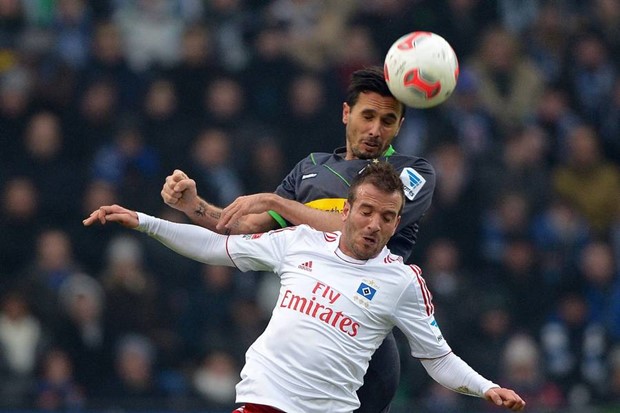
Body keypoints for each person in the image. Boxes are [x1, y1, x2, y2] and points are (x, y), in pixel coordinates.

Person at [84, 162, 525, 413]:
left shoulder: (402, 281)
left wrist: (487, 387)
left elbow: (438, 357)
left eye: (387, 217)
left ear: (397, 223)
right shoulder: (301, 241)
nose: (374, 224)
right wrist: (145, 222)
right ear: (347, 208)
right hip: (264, 402)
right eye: (366, 211)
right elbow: (217, 246)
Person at [159, 66, 435, 412]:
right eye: (368, 116)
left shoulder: (411, 173)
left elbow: (352, 228)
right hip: (308, 328)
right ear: (346, 113)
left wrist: (277, 202)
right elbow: (247, 228)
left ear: (400, 126)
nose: (376, 130)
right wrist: (195, 206)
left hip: (365, 344)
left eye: (388, 120)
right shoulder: (310, 169)